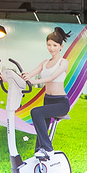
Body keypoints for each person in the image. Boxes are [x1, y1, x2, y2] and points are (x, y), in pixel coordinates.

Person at [25, 27, 72, 160]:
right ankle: (40, 155)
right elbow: (28, 75)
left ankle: (48, 149)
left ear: (61, 46)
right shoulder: (44, 63)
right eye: (49, 45)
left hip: (60, 102)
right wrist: (6, 77)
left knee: (36, 112)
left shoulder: (63, 62)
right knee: (42, 131)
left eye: (55, 45)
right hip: (48, 100)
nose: (51, 48)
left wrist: (33, 81)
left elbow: (51, 78)